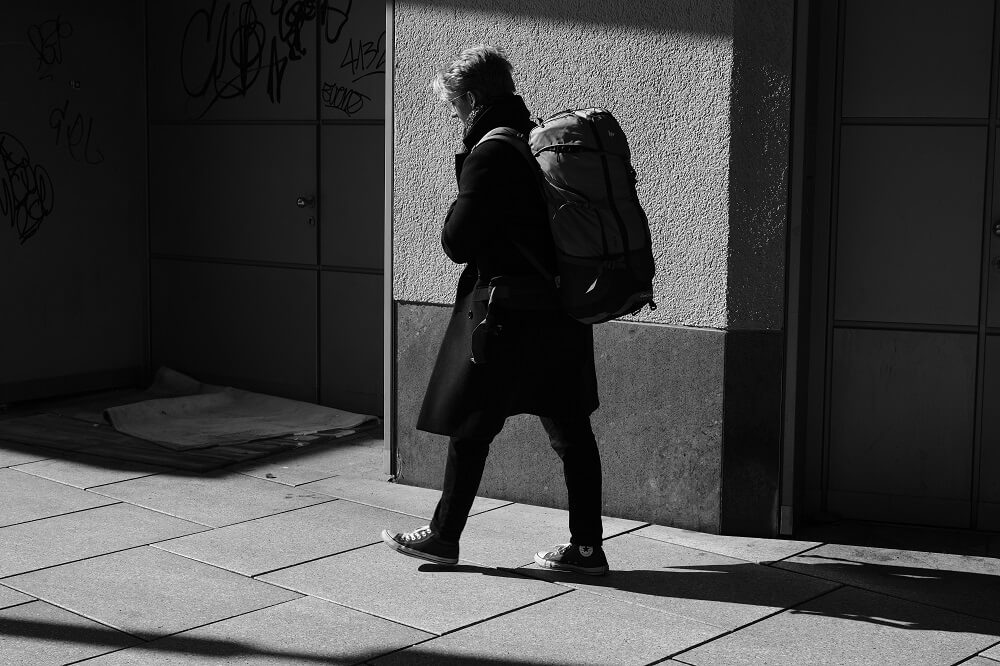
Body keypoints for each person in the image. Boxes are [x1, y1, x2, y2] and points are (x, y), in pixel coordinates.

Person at [381, 45, 607, 576]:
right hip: (561, 311)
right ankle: (587, 549)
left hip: (506, 315)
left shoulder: (491, 153)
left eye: (455, 107)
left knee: (472, 426)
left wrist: (464, 185)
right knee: (572, 433)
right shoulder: (539, 142)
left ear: (474, 98)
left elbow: (458, 242)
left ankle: (443, 537)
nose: (454, 117)